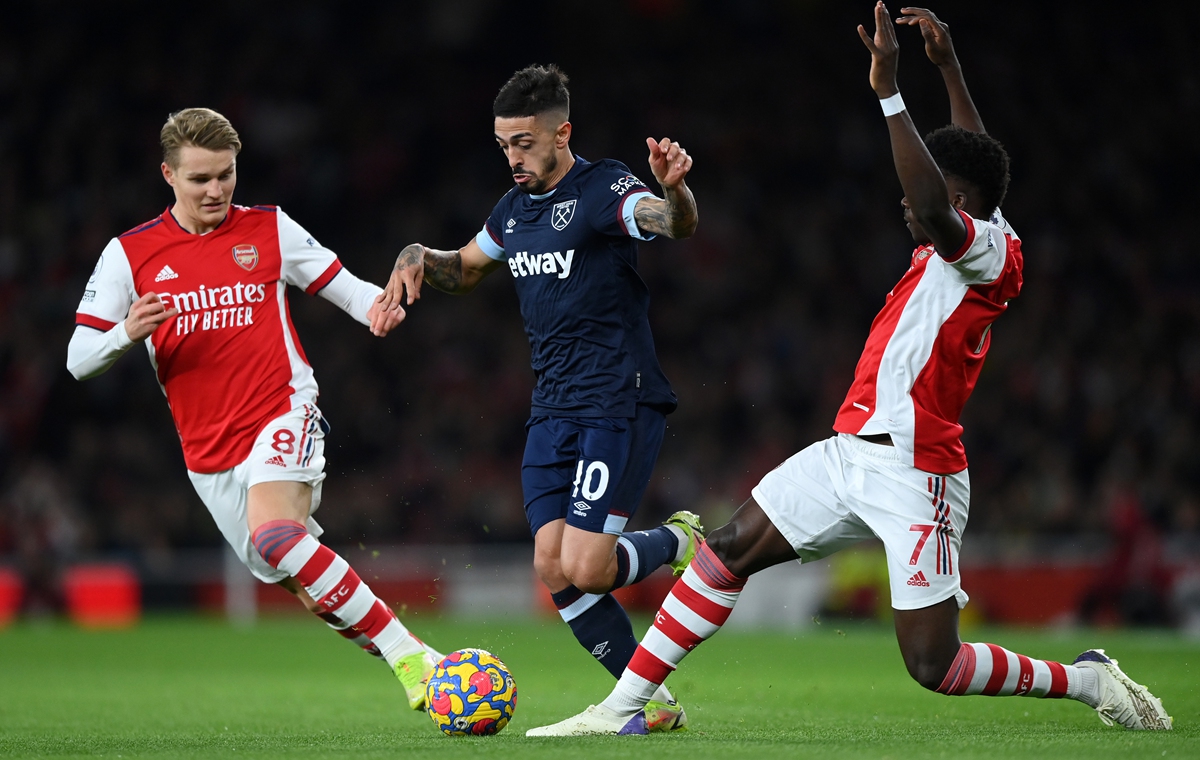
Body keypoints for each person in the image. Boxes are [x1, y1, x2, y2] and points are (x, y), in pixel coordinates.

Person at [526, 5, 1172, 736]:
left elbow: (935, 195)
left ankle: (1085, 679)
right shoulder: (981, 223)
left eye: (923, 194)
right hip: (847, 450)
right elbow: (976, 159)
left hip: (915, 470)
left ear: (956, 205)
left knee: (935, 667)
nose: (905, 198)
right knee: (728, 550)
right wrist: (950, 67)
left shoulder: (983, 252)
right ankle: (621, 708)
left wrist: (890, 91)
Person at [67, 107, 444, 711]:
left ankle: (415, 661)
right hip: (208, 454)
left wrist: (381, 307)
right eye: (200, 179)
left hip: (283, 409)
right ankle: (420, 658)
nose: (216, 189)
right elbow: (77, 359)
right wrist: (125, 333)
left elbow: (346, 288)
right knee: (301, 583)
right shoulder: (129, 254)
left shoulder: (269, 228)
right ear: (168, 174)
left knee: (275, 534)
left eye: (226, 174)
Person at [375, 64, 703, 731]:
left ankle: (679, 538)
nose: (513, 156)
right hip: (552, 409)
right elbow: (466, 268)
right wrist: (417, 255)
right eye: (503, 144)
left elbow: (668, 222)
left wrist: (676, 192)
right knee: (553, 568)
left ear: (563, 132)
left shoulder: (602, 186)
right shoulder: (513, 209)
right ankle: (650, 703)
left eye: (524, 142)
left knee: (587, 565)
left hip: (618, 399)